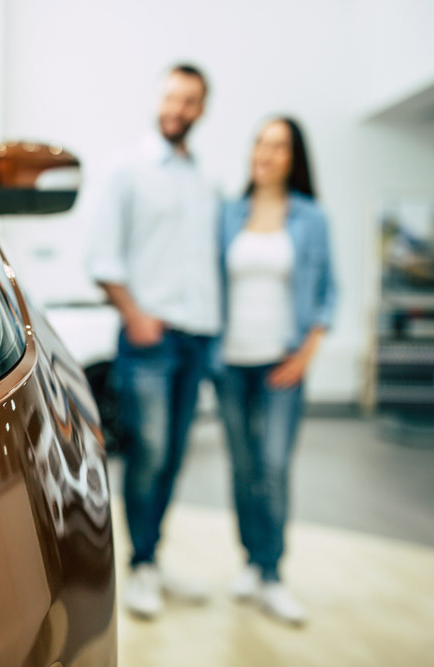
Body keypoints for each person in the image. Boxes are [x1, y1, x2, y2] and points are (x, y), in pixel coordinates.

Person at [88, 64, 220, 618]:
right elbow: (101, 257)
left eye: (190, 101)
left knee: (173, 460)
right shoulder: (127, 170)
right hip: (149, 338)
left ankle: (152, 558)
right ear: (160, 100)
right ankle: (140, 565)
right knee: (148, 454)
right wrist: (136, 316)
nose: (178, 109)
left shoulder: (204, 181)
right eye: (172, 97)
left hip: (197, 340)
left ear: (201, 109)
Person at [216, 117, 336, 625]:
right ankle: (250, 560)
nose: (266, 153)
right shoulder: (226, 214)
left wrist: (306, 354)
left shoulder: (311, 218)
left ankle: (272, 572)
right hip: (229, 363)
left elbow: (330, 290)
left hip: (282, 364)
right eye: (260, 143)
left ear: (293, 158)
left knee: (274, 466)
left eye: (278, 146)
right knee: (243, 468)